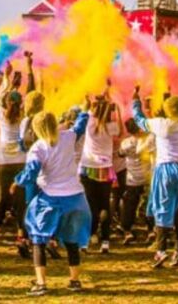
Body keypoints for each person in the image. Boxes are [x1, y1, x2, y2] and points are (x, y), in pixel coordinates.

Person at [13, 110, 91, 296]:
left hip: (50, 198)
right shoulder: (68, 137)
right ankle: (74, 280)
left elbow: (31, 173)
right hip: (76, 198)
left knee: (39, 240)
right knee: (72, 240)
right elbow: (81, 124)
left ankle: (41, 283)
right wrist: (83, 109)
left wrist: (17, 181)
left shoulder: (38, 148)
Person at [131, 87, 178, 269]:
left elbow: (140, 120)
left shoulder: (162, 125)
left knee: (163, 209)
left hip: (166, 169)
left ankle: (161, 251)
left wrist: (136, 102)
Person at [0, 77, 30, 257]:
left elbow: (0, 98)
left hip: (4, 162)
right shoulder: (24, 116)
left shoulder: (0, 114)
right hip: (21, 161)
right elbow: (28, 96)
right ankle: (21, 238)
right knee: (21, 202)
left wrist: (11, 84)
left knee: (1, 200)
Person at [79, 92, 119, 253]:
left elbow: (85, 111)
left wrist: (88, 102)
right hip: (106, 169)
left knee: (90, 205)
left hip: (88, 168)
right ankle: (106, 242)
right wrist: (113, 108)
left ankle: (87, 238)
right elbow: (120, 130)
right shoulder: (112, 126)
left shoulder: (89, 122)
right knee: (105, 206)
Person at [117, 118, 153, 244]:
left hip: (132, 179)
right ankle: (151, 230)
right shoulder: (147, 140)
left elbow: (120, 154)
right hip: (148, 177)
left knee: (129, 206)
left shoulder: (126, 143)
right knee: (150, 205)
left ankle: (128, 231)